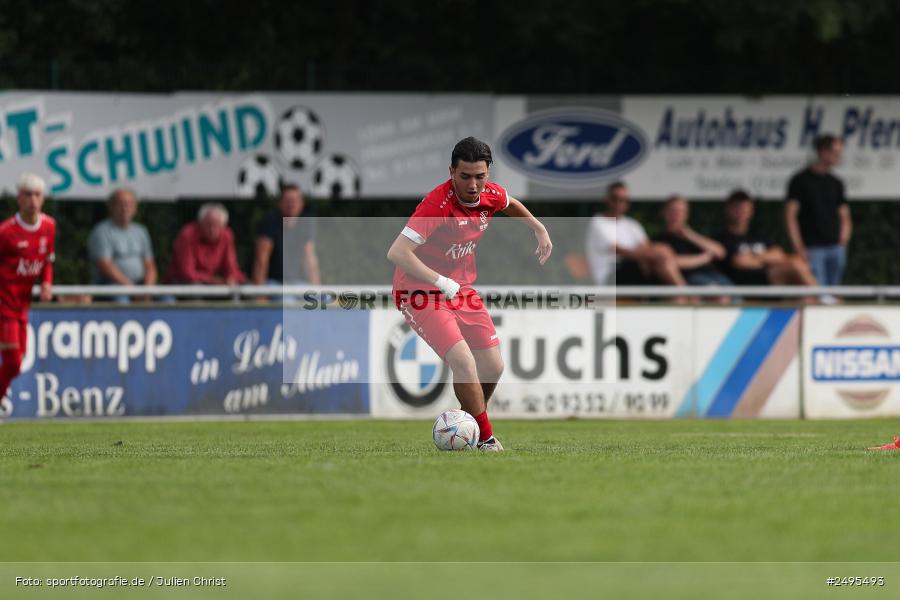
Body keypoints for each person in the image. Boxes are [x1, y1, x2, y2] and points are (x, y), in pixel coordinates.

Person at [387, 137, 552, 452]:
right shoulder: (436, 205)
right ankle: (486, 440)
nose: (474, 185)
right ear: (451, 171)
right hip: (420, 291)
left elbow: (509, 203)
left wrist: (537, 227)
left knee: (493, 366)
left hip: (460, 289)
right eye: (465, 176)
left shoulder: (490, 194)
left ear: (488, 172)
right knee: (463, 360)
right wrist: (440, 281)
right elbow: (397, 253)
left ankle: (465, 426)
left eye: (480, 176)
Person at [0, 173, 55, 401]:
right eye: (28, 194)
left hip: (23, 305)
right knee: (12, 361)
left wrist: (47, 283)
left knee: (18, 361)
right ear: (19, 198)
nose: (33, 200)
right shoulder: (6, 232)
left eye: (37, 195)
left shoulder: (49, 226)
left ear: (43, 199)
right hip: (4, 305)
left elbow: (47, 259)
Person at [585, 181, 685, 287]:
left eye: (624, 200)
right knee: (659, 257)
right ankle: (685, 292)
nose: (619, 203)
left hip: (633, 272)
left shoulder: (632, 224)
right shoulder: (597, 223)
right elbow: (623, 251)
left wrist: (658, 253)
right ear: (606, 199)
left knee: (660, 263)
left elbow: (646, 248)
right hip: (611, 276)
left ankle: (682, 293)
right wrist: (659, 252)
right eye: (615, 199)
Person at [785, 133, 851, 287]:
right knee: (816, 289)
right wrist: (798, 246)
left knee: (833, 290)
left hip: (835, 246)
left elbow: (844, 215)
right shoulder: (800, 181)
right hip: (812, 247)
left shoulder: (836, 183)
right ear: (823, 151)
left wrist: (843, 240)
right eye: (835, 152)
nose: (839, 157)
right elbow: (790, 216)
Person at [717, 190, 817, 287]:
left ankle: (820, 295)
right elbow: (739, 262)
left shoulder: (758, 234)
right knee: (795, 265)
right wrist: (767, 259)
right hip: (748, 284)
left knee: (798, 264)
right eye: (737, 208)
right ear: (728, 209)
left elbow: (778, 254)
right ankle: (821, 295)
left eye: (745, 209)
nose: (741, 212)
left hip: (772, 280)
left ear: (751, 211)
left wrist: (754, 258)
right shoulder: (723, 238)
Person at [87, 188, 157, 303]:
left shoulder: (141, 231)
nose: (125, 208)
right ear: (111, 207)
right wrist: (132, 289)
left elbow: (150, 265)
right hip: (110, 284)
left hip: (140, 284)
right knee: (122, 301)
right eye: (121, 204)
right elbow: (105, 266)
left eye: (130, 204)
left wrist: (148, 290)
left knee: (166, 299)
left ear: (135, 208)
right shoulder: (101, 231)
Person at [653, 195, 731, 291]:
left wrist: (690, 235)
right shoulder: (659, 240)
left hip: (717, 278)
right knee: (719, 294)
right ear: (664, 213)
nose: (676, 215)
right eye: (673, 211)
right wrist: (704, 258)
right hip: (692, 280)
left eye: (681, 211)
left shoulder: (694, 236)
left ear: (686, 214)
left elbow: (720, 252)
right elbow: (671, 262)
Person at [251, 184, 320, 292]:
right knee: (288, 300)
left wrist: (317, 289)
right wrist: (260, 293)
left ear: (301, 204)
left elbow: (310, 259)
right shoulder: (270, 222)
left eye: (295, 201)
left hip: (295, 282)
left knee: (323, 299)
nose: (291, 204)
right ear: (280, 203)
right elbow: (261, 260)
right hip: (273, 282)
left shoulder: (305, 224)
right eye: (287, 201)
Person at [166, 203, 246, 285]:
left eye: (216, 225)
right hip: (183, 283)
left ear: (223, 225)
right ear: (200, 223)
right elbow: (187, 273)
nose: (212, 230)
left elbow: (231, 266)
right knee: (195, 287)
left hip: (215, 282)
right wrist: (216, 280)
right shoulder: (187, 235)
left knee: (244, 285)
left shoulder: (227, 235)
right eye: (208, 224)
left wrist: (231, 278)